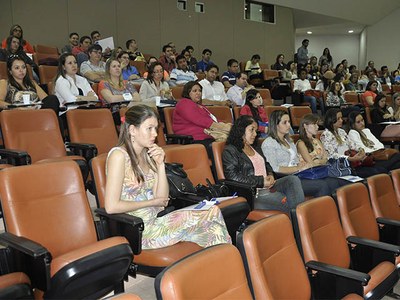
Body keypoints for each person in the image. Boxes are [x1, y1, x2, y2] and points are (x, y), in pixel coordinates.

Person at [105, 104, 231, 249]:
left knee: (211, 223)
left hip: (158, 221)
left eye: (156, 128)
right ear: (132, 130)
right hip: (140, 230)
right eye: (149, 129)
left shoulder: (149, 154)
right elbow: (111, 206)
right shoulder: (118, 156)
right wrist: (151, 202)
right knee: (210, 219)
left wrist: (160, 165)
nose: (155, 134)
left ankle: (219, 264)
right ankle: (226, 263)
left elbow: (162, 201)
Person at [222, 115, 305, 213]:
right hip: (252, 193)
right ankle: (299, 220)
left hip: (268, 186)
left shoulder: (255, 147)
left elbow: (267, 164)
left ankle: (298, 217)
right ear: (241, 130)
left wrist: (270, 174)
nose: (255, 134)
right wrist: (261, 181)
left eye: (256, 131)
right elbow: (232, 177)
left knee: (293, 180)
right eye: (251, 130)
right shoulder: (230, 150)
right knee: (285, 201)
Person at [261, 110, 342, 197]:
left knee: (333, 182)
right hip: (284, 179)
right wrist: (298, 168)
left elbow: (297, 161)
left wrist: (303, 166)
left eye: (289, 122)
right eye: (284, 122)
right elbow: (274, 168)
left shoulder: (289, 141)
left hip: (298, 175)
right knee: (322, 185)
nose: (289, 125)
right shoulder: (269, 143)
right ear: (275, 125)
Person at [320, 108, 386, 178]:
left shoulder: (341, 131)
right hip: (342, 165)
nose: (341, 120)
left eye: (341, 118)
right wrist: (349, 158)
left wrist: (360, 149)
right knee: (376, 172)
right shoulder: (325, 135)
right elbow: (331, 155)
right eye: (338, 118)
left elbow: (352, 145)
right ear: (331, 120)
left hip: (353, 161)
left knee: (382, 170)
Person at [173, 81, 231, 154]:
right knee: (219, 148)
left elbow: (212, 119)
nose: (198, 93)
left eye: (200, 91)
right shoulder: (183, 103)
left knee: (232, 145)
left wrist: (225, 125)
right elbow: (198, 119)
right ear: (187, 92)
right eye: (194, 91)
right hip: (193, 138)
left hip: (208, 136)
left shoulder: (201, 106)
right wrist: (221, 127)